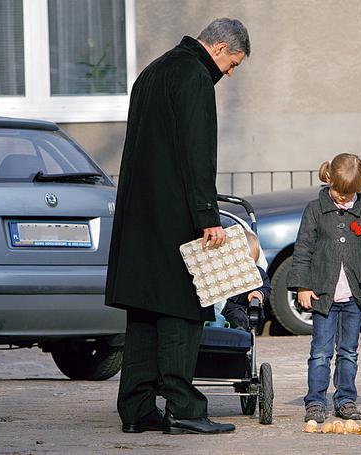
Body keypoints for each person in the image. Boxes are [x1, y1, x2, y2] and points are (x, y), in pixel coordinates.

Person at [105, 18, 250, 435]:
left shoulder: (154, 71)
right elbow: (196, 152)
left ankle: (136, 410)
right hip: (174, 218)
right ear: (220, 48)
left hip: (139, 218)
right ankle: (184, 407)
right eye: (233, 64)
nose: (229, 73)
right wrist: (208, 217)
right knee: (183, 312)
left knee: (145, 314)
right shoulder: (193, 77)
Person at [287, 153, 361, 424]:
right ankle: (316, 401)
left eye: (349, 193)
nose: (343, 198)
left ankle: (345, 399)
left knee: (349, 351)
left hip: (354, 297)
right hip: (323, 296)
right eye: (338, 192)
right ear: (328, 180)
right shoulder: (315, 209)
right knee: (320, 352)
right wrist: (303, 286)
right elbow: (303, 249)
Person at [221, 230, 271, 331]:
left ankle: (240, 334)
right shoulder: (221, 269)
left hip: (238, 307)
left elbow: (265, 287)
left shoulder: (257, 273)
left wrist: (259, 293)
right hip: (216, 307)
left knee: (238, 317)